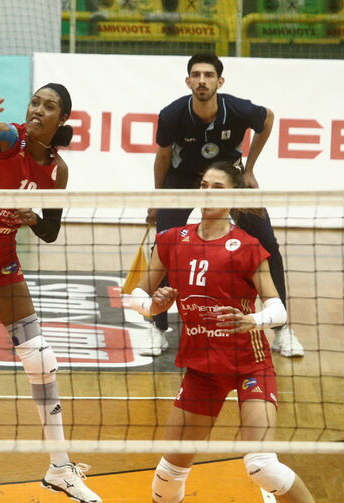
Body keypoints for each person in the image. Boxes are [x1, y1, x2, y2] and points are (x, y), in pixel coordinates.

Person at [0, 85, 102, 503]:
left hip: (2, 261)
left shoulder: (58, 172)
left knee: (42, 357)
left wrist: (32, 220)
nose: (37, 110)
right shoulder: (10, 139)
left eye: (48, 107)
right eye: (35, 102)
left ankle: (60, 468)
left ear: (61, 119)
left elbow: (50, 231)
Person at [130, 161, 315, 503]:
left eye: (218, 187)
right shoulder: (172, 240)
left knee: (262, 465)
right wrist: (153, 306)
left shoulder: (247, 246)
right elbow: (137, 296)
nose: (208, 192)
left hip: (250, 363)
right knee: (169, 472)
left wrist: (254, 320)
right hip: (202, 368)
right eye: (203, 184)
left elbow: (278, 308)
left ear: (233, 196)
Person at [146, 52, 303, 358]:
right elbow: (163, 156)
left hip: (228, 176)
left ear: (220, 81)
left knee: (267, 243)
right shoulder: (171, 114)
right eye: (196, 74)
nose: (202, 80)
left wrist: (249, 169)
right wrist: (158, 198)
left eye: (208, 75)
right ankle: (157, 327)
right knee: (164, 248)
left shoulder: (238, 109)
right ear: (188, 80)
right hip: (184, 178)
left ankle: (283, 330)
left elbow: (267, 119)